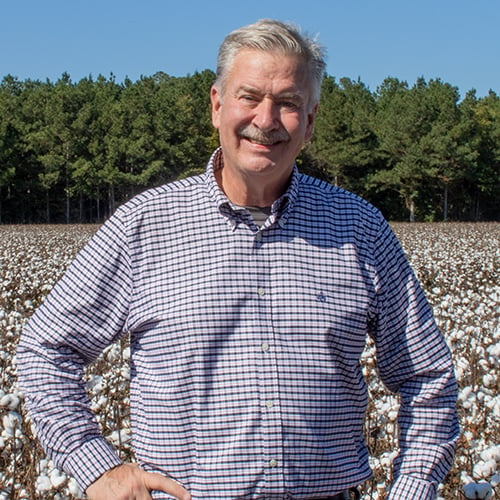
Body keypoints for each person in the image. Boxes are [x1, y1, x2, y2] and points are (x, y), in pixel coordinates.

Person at [17, 19, 459, 500]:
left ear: (310, 122)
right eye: (249, 96)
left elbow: (427, 375)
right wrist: (97, 469)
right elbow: (44, 353)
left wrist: (413, 487)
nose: (266, 120)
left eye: (288, 103)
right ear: (216, 105)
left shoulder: (359, 228)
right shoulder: (143, 226)